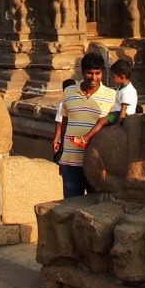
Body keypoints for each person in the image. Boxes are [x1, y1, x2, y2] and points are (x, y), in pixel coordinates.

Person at [53, 54, 115, 197]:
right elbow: (64, 123)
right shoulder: (69, 92)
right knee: (70, 207)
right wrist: (62, 154)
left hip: (97, 163)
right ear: (82, 72)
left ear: (102, 73)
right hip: (71, 162)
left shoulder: (111, 95)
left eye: (97, 73)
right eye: (90, 73)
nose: (93, 78)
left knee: (96, 209)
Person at [75, 58, 137, 147]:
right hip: (117, 113)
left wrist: (118, 123)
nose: (112, 79)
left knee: (101, 121)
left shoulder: (128, 91)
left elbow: (124, 108)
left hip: (122, 114)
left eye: (113, 77)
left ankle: (85, 139)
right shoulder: (122, 87)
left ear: (122, 77)